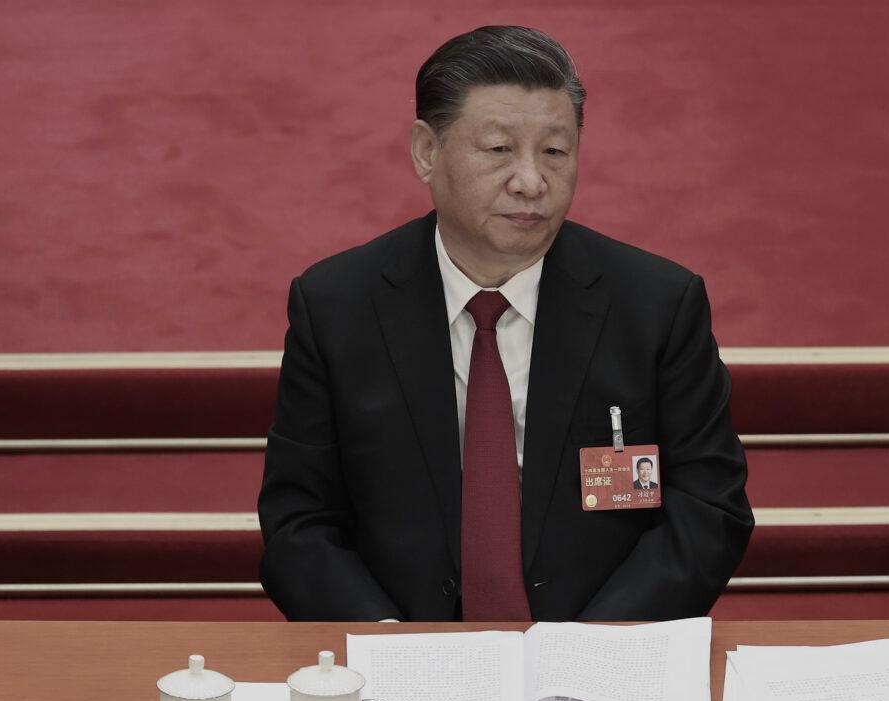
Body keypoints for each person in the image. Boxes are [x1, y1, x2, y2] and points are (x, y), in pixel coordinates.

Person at [258, 25, 753, 622]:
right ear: (426, 151)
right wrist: (386, 644)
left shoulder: (656, 306)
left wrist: (593, 649)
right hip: (403, 672)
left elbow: (708, 508)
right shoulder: (337, 307)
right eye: (498, 150)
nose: (531, 181)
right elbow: (300, 522)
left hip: (599, 663)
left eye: (554, 151)